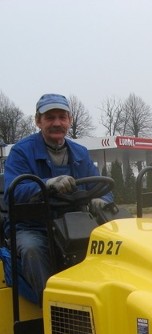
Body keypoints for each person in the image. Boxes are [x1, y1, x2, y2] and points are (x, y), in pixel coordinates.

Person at [3, 93, 113, 305]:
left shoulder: (79, 153)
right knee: (32, 250)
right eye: (50, 117)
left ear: (69, 121)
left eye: (62, 117)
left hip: (72, 224)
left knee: (110, 244)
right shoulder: (21, 153)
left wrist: (102, 200)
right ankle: (54, 312)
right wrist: (46, 185)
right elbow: (12, 192)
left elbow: (98, 188)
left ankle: (102, 305)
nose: (57, 123)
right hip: (32, 227)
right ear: (38, 121)